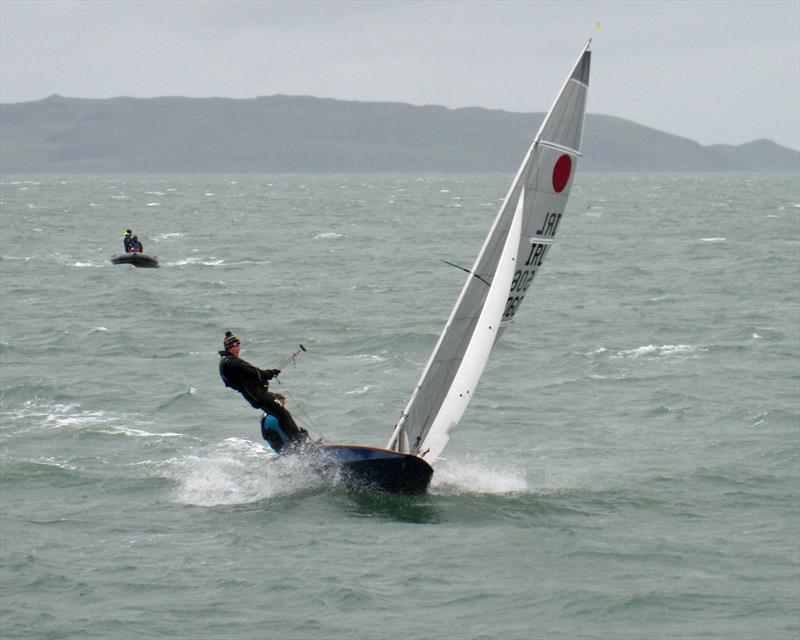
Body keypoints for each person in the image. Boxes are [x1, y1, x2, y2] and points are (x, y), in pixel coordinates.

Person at [218, 331, 309, 453]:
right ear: (230, 347)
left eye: (238, 345)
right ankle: (299, 444)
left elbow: (246, 377)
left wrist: (262, 379)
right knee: (284, 414)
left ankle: (294, 445)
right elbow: (256, 373)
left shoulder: (225, 362)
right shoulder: (233, 362)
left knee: (280, 415)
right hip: (258, 395)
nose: (238, 348)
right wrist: (271, 373)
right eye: (236, 345)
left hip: (254, 396)